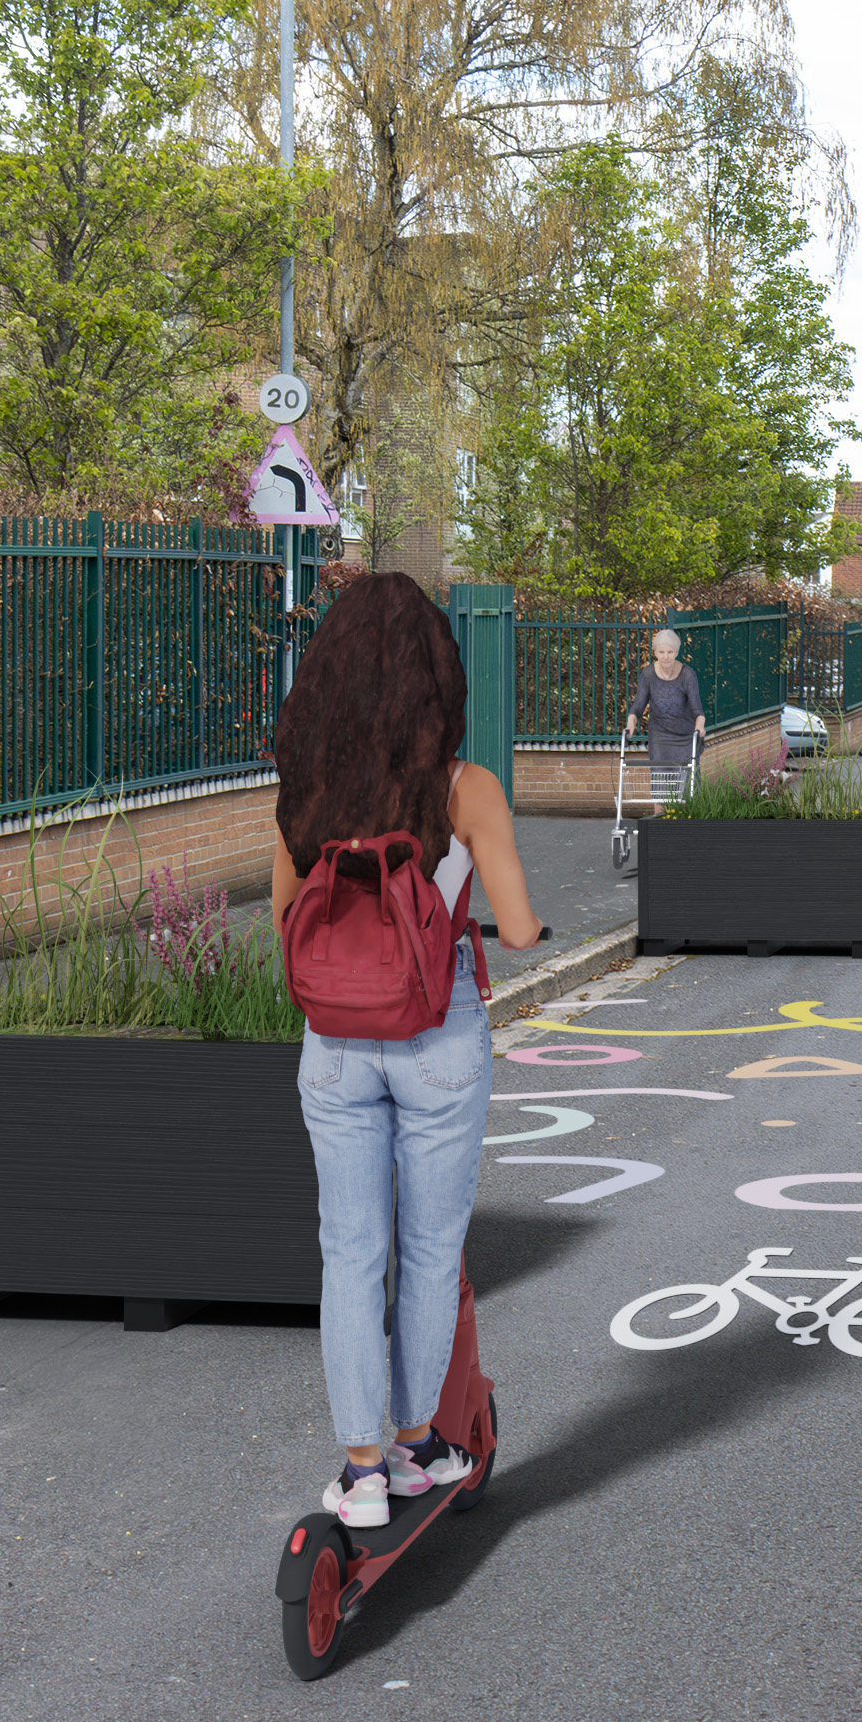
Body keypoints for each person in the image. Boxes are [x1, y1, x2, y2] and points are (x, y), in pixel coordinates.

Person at [270, 573, 548, 1531]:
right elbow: (512, 930)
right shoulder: (466, 791)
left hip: (335, 1046)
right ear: (439, 681)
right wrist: (529, 918)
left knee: (349, 1251)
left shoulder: (306, 793)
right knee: (429, 1249)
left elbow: (281, 922)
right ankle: (420, 1444)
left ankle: (357, 1470)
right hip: (437, 1039)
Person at [623, 626, 704, 811]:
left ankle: (686, 824)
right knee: (661, 782)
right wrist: (630, 723)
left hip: (685, 737)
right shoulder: (648, 673)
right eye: (661, 652)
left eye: (670, 652)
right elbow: (638, 704)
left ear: (676, 652)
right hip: (660, 735)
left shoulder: (687, 675)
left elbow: (696, 708)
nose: (666, 656)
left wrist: (700, 726)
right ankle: (660, 824)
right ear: (655, 652)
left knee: (686, 785)